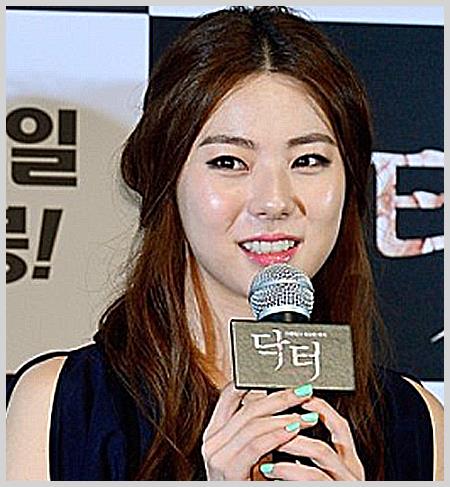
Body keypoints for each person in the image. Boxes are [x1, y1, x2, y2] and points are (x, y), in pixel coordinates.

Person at [6, 6, 443, 481]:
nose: (274, 202)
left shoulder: (418, 424)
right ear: (168, 179)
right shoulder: (62, 408)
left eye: (309, 160)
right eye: (230, 162)